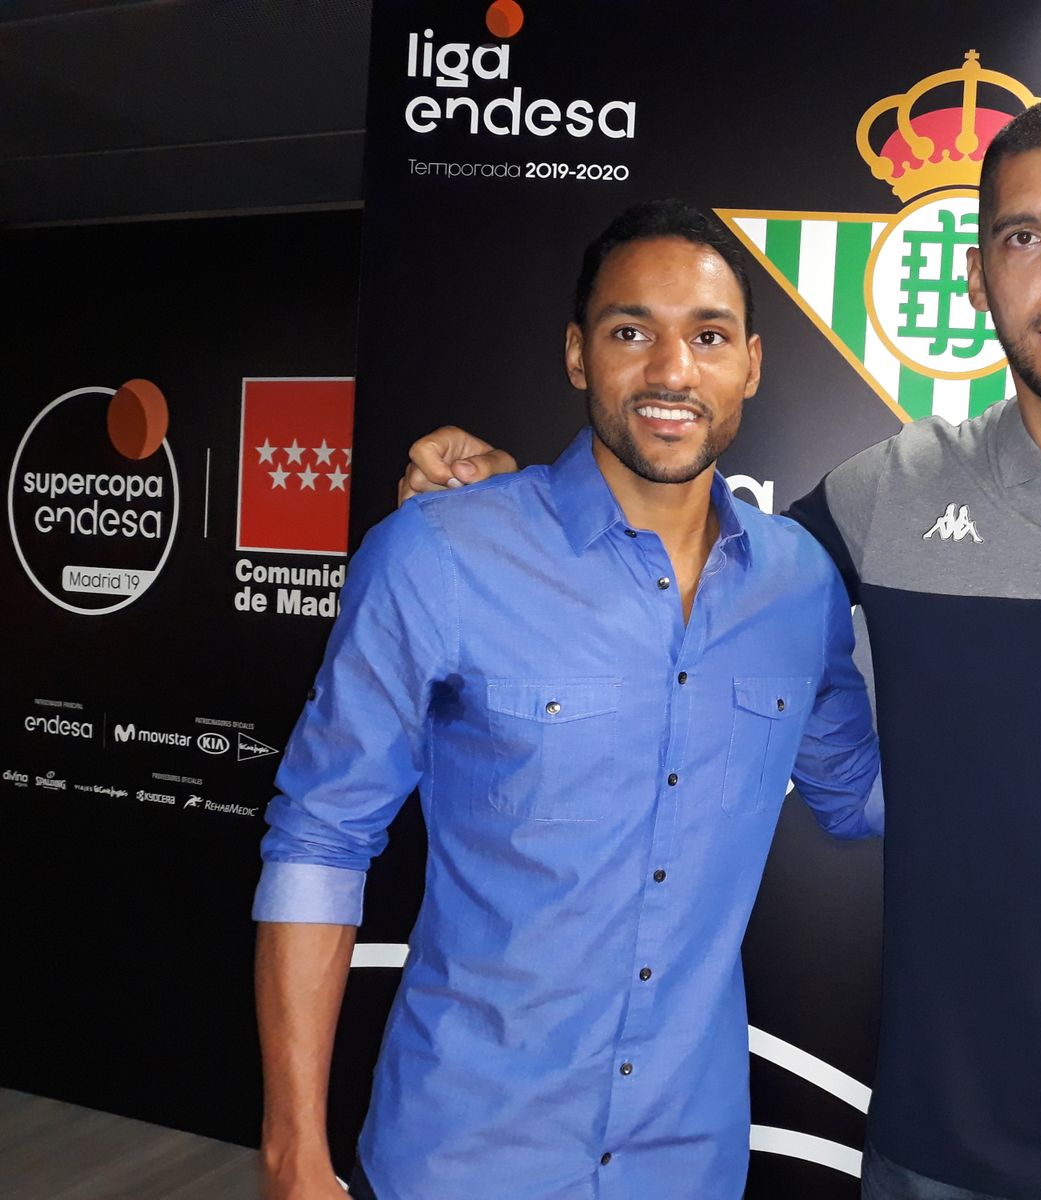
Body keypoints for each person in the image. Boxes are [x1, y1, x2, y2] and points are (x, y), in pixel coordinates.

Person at [403, 99, 1041, 1200]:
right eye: (1023, 239)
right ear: (980, 276)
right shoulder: (886, 493)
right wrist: (501, 504)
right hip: (929, 1157)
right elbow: (678, 555)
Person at [254, 199, 882, 1200]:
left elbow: (863, 794)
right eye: (632, 331)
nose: (672, 372)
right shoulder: (440, 553)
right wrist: (293, 1153)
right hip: (461, 1158)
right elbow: (318, 844)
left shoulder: (800, 585)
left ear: (751, 366)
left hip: (687, 1164)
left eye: (707, 337)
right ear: (578, 354)